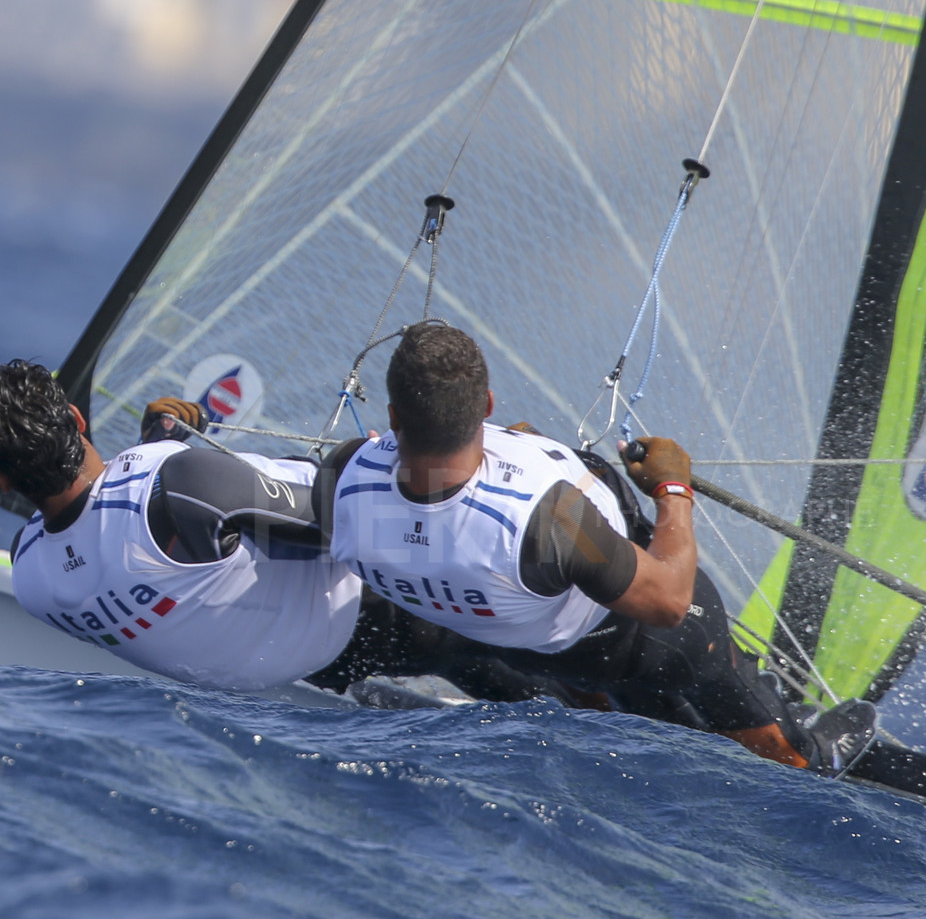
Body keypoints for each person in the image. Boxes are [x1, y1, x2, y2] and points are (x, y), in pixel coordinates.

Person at [323, 322, 866, 773]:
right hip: (610, 647)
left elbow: (434, 507)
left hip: (489, 641)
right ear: (485, 404)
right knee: (692, 623)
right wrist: (673, 490)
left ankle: (597, 701)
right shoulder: (555, 518)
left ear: (394, 416)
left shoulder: (347, 470)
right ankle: (801, 753)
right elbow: (667, 601)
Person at [0, 359, 549, 699]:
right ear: (78, 419)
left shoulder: (30, 571)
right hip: (379, 612)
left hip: (297, 667)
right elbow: (350, 522)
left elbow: (121, 534)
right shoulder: (185, 485)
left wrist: (157, 443)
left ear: (0, 478)